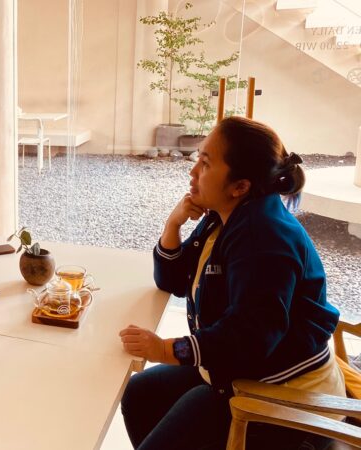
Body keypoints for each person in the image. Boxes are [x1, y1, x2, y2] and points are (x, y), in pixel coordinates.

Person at [119, 116, 343, 449]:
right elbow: (173, 281)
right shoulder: (224, 217)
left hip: (289, 400)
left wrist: (166, 349)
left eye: (206, 163)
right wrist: (173, 225)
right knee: (141, 393)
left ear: (240, 186)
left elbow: (249, 338)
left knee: (188, 408)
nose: (193, 171)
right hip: (247, 369)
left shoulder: (263, 238)